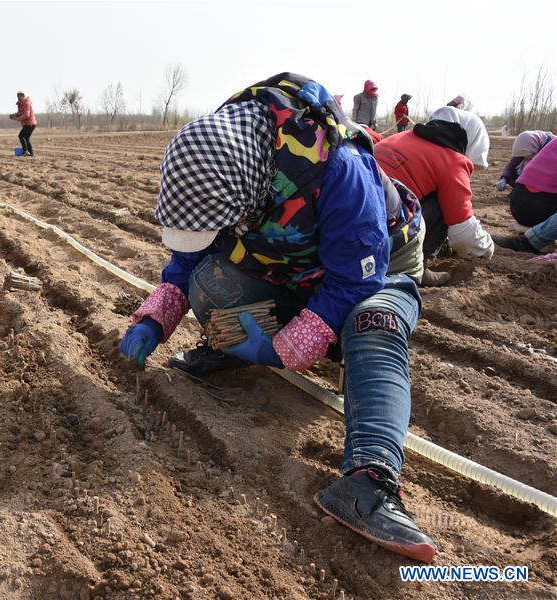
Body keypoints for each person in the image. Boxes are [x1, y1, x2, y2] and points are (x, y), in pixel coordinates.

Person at [120, 73, 436, 563]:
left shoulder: (339, 168)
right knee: (210, 281)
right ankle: (234, 348)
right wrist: (155, 318)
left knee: (372, 325)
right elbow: (193, 253)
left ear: (245, 192)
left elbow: (354, 278)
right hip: (293, 261)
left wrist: (284, 348)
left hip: (377, 261)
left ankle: (370, 480)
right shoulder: (226, 166)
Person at [374, 107, 494, 265]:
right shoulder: (453, 160)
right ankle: (417, 263)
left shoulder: (401, 137)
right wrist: (487, 247)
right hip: (381, 230)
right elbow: (463, 234)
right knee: (446, 202)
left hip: (355, 221)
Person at [9, 91, 36, 156]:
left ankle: (25, 151)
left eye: (21, 96)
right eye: (18, 96)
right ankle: (31, 153)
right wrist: (14, 115)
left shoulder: (26, 103)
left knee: (21, 136)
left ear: (24, 96)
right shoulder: (20, 104)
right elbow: (20, 113)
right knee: (26, 138)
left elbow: (26, 115)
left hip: (30, 123)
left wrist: (16, 118)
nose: (20, 97)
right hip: (28, 124)